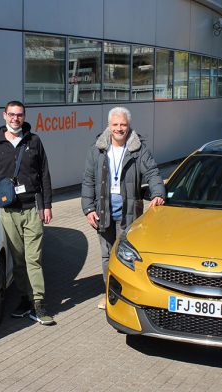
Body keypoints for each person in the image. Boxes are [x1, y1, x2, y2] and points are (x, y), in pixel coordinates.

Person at [0, 100, 55, 325]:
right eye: (11, 114)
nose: (15, 118)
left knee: (33, 259)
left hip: (32, 210)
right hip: (8, 211)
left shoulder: (34, 141)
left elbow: (45, 174)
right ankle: (25, 299)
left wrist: (47, 205)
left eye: (19, 115)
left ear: (24, 116)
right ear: (4, 116)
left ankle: (39, 303)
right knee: (18, 260)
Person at [81, 106, 165, 309]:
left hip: (129, 212)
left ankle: (127, 295)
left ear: (129, 126)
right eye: (115, 124)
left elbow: (153, 172)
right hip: (103, 211)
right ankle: (109, 292)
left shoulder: (138, 149)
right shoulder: (97, 149)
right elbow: (88, 180)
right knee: (106, 254)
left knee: (127, 255)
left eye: (123, 125)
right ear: (109, 126)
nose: (119, 128)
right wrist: (88, 208)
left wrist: (158, 194)